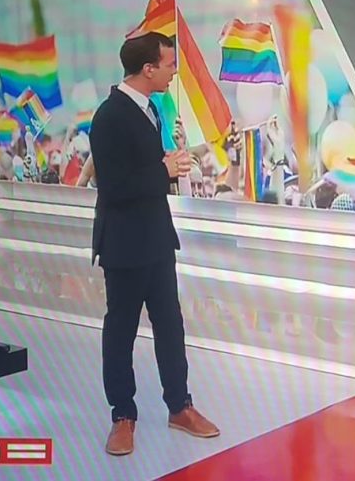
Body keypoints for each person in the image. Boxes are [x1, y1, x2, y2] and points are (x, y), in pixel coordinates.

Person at [89, 32, 220, 457]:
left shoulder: (153, 111)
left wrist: (170, 165)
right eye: (168, 64)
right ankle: (122, 415)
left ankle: (179, 406)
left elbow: (146, 174)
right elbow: (114, 186)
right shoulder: (109, 116)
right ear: (148, 69)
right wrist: (163, 170)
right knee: (121, 330)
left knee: (170, 325)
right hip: (124, 244)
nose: (173, 72)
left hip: (157, 239)